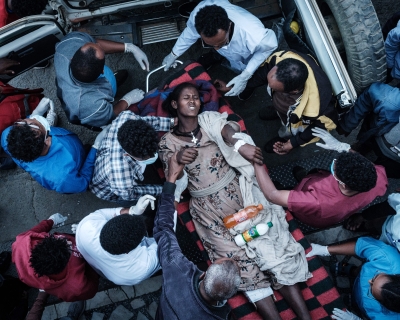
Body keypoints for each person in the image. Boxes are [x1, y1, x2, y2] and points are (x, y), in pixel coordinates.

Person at [159, 82, 311, 320]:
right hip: (209, 212)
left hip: (239, 194)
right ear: (174, 104)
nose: (192, 101)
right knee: (239, 265)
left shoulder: (208, 120)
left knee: (272, 250)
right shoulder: (168, 142)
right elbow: (171, 173)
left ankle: (305, 317)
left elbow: (227, 130)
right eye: (186, 97)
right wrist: (178, 158)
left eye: (196, 98)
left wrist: (240, 145)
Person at [153, 151, 240, 319]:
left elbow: (164, 228)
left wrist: (171, 180)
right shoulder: (220, 316)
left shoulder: (177, 268)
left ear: (203, 274)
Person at [252, 128, 387, 228]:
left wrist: (256, 162)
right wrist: (342, 147)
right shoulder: (377, 177)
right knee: (309, 178)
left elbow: (272, 195)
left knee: (281, 192)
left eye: (334, 167)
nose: (333, 164)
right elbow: (365, 164)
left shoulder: (319, 202)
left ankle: (291, 189)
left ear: (343, 184)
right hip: (316, 180)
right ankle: (304, 179)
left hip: (309, 213)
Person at [215, 50, 338, 154]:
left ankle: (283, 137)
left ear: (294, 91)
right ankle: (277, 110)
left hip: (295, 121)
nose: (267, 85)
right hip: (284, 106)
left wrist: (292, 143)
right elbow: (261, 75)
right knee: (279, 108)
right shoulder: (283, 58)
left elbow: (317, 130)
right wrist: (234, 87)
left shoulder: (321, 108)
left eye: (274, 87)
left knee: (287, 128)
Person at [162, 0, 277, 97]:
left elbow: (268, 48)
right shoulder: (200, 14)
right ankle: (216, 56)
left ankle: (247, 87)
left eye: (221, 43)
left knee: (251, 71)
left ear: (229, 25)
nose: (217, 48)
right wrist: (174, 53)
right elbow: (190, 33)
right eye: (210, 44)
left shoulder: (254, 36)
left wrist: (246, 75)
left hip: (248, 57)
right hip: (230, 51)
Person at [54, 31, 149, 129]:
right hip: (87, 112)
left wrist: (129, 47)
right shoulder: (91, 106)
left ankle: (114, 83)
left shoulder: (69, 43)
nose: (98, 44)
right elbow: (110, 115)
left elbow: (92, 42)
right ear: (102, 71)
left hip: (70, 85)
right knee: (103, 123)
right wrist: (127, 100)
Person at [1, 109, 108, 193]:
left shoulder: (7, 136)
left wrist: (35, 113)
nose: (33, 119)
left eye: (24, 121)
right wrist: (95, 147)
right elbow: (83, 183)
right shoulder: (63, 179)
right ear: (47, 141)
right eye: (39, 124)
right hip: (79, 162)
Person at [90, 110, 175, 203]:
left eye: (153, 151)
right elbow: (133, 193)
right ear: (127, 154)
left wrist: (172, 123)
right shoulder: (121, 177)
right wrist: (168, 189)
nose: (153, 156)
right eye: (145, 157)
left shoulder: (127, 117)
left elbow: (148, 122)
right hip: (110, 191)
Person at [74, 195, 160, 285]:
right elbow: (167, 241)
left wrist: (132, 210)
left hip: (103, 268)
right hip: (121, 273)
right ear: (129, 251)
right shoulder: (142, 266)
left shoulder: (88, 226)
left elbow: (105, 214)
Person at [12, 213, 99, 302]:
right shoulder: (78, 288)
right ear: (64, 265)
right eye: (69, 248)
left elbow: (33, 232)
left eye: (56, 239)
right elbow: (94, 282)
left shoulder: (22, 243)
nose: (68, 241)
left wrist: (51, 222)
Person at [306, 238, 400, 320]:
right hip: (361, 273)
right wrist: (325, 250)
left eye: (371, 290)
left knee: (355, 303)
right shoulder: (389, 258)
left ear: (384, 305)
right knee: (361, 271)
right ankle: (351, 270)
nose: (369, 281)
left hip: (365, 308)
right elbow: (361, 246)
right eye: (375, 276)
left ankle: (354, 302)